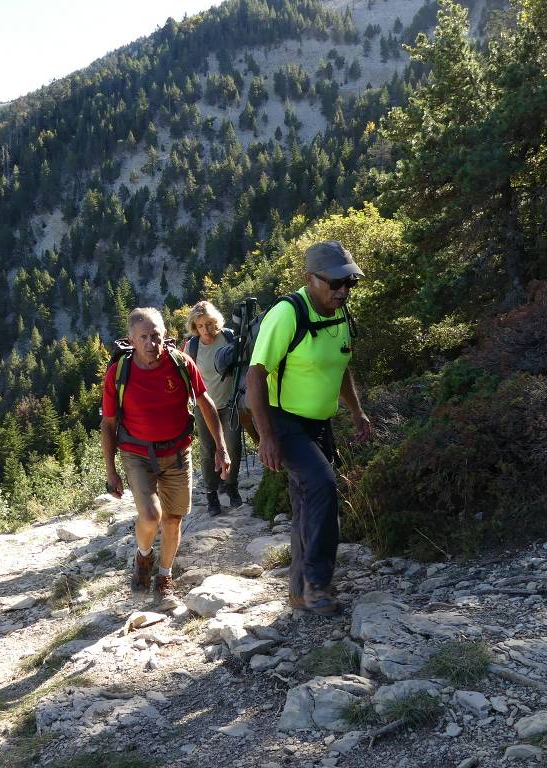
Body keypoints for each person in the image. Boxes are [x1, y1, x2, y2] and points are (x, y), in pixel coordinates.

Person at [245, 241, 372, 616]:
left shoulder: (340, 313)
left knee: (307, 503)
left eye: (349, 282)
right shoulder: (287, 314)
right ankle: (318, 583)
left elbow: (341, 366)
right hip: (283, 420)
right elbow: (255, 376)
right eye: (334, 283)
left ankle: (300, 591)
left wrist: (357, 412)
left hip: (318, 423)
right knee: (323, 486)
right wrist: (266, 436)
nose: (343, 290)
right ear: (310, 279)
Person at [102, 307, 231, 607]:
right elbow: (108, 424)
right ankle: (143, 556)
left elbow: (205, 402)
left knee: (173, 519)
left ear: (165, 335)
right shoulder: (119, 373)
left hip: (176, 452)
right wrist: (111, 471)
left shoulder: (181, 364)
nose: (151, 342)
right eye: (144, 337)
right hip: (137, 453)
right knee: (150, 515)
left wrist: (221, 448)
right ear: (132, 340)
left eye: (156, 335)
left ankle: (164, 576)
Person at [183, 300, 243, 516]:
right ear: (194, 327)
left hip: (229, 404)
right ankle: (211, 495)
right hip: (204, 407)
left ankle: (231, 487)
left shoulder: (227, 337)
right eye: (200, 326)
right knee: (209, 451)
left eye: (208, 323)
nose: (206, 329)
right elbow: (186, 378)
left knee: (233, 447)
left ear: (215, 321)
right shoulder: (192, 347)